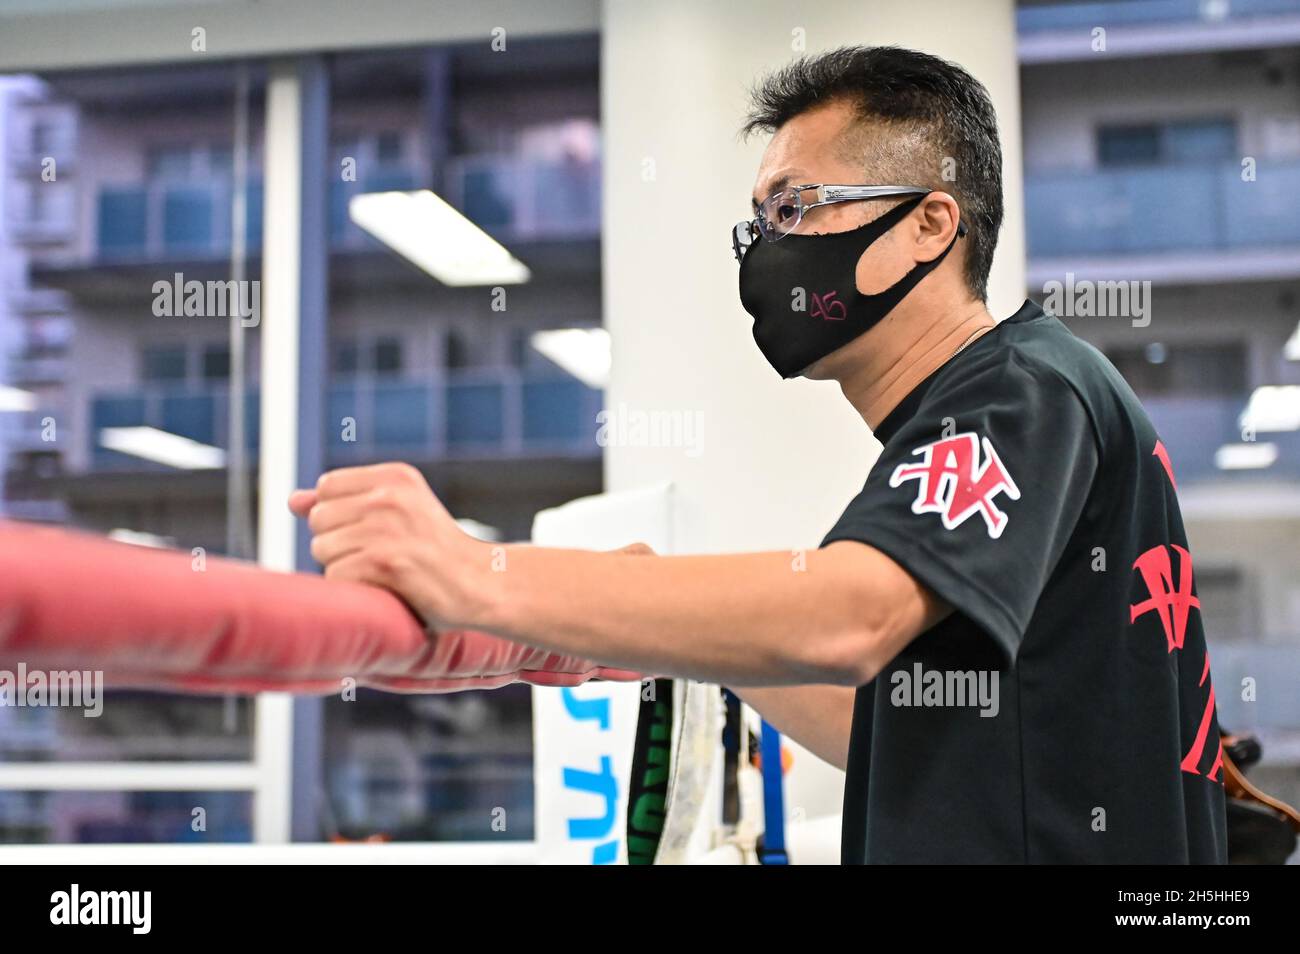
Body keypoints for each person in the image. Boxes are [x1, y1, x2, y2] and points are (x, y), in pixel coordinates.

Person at [289, 45, 1227, 864]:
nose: (764, 250)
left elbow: (849, 616)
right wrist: (645, 613)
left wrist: (476, 573)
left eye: (797, 208)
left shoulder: (1019, 390)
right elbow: (895, 726)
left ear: (932, 225)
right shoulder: (986, 409)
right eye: (759, 222)